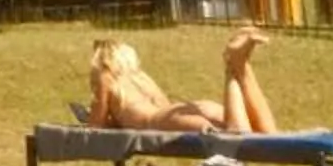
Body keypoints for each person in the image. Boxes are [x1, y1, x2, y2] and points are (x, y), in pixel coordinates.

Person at [87, 27, 281, 135]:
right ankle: (241, 66)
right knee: (268, 135)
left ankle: (233, 65)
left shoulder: (106, 78)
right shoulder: (140, 77)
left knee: (238, 136)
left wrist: (113, 119)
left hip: (166, 121)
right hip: (187, 109)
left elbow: (95, 128)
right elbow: (164, 104)